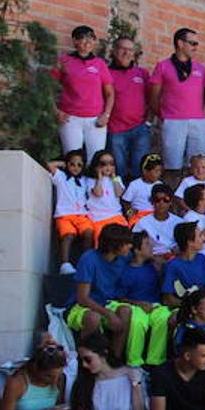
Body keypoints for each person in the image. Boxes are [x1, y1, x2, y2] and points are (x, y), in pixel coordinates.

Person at [66, 222, 134, 365]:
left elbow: (143, 255)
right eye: (126, 243)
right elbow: (82, 298)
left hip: (107, 303)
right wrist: (108, 314)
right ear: (114, 245)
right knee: (93, 318)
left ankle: (114, 360)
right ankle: (84, 359)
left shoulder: (123, 257)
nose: (130, 246)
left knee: (125, 311)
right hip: (81, 306)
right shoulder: (89, 259)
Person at [150, 28, 205, 182]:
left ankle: (196, 201)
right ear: (180, 43)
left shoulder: (200, 68)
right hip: (173, 120)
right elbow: (154, 95)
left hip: (197, 121)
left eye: (197, 43)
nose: (196, 47)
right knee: (172, 165)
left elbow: (203, 95)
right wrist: (164, 115)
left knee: (199, 165)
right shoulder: (163, 66)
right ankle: (171, 199)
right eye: (192, 43)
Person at [53, 24, 114, 160]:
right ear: (75, 41)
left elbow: (110, 93)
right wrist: (55, 111)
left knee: (97, 161)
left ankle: (96, 182)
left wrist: (106, 115)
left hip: (95, 119)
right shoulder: (64, 61)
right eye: (83, 38)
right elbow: (47, 87)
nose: (88, 42)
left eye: (91, 38)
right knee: (72, 159)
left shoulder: (99, 64)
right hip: (70, 119)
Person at [104, 35, 151, 181]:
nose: (127, 53)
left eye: (130, 50)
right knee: (118, 171)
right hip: (115, 129)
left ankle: (135, 202)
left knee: (140, 170)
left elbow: (151, 98)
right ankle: (118, 201)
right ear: (114, 51)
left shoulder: (142, 73)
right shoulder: (106, 72)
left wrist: (148, 121)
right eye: (123, 49)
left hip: (140, 129)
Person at [49, 149, 93, 273]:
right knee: (68, 235)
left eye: (79, 165)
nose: (75, 167)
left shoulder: (84, 180)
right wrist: (61, 164)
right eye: (72, 164)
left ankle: (86, 262)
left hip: (82, 215)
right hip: (64, 215)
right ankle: (65, 264)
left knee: (89, 232)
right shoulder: (61, 177)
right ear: (67, 164)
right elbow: (49, 165)